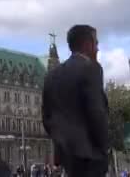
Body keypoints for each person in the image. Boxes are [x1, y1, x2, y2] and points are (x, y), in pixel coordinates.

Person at [42, 25, 108, 177]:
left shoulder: (51, 76)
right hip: (90, 156)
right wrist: (104, 148)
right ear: (87, 44)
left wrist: (62, 144)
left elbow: (47, 118)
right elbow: (97, 113)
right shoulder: (92, 68)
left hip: (67, 157)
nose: (97, 49)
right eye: (96, 43)